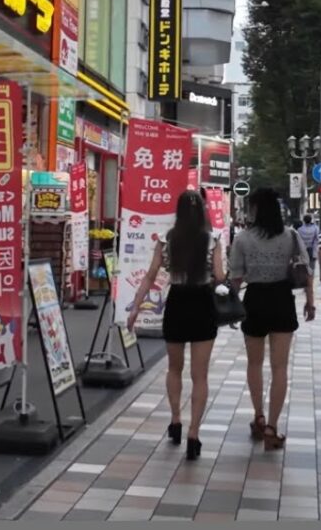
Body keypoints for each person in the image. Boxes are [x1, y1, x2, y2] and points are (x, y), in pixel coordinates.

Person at [127, 190, 225, 461]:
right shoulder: (213, 240)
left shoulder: (167, 240)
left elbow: (150, 276)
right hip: (203, 303)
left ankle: (175, 420)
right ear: (203, 210)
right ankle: (194, 434)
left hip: (178, 303)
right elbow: (219, 276)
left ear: (179, 212)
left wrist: (136, 307)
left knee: (174, 367)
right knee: (200, 374)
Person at [229, 188, 316, 451]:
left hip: (254, 299)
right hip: (281, 299)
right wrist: (310, 302)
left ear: (255, 210)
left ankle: (258, 416)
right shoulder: (289, 235)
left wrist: (232, 307)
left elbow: (235, 277)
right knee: (280, 367)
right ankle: (272, 427)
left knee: (254, 363)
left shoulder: (243, 238)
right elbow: (306, 270)